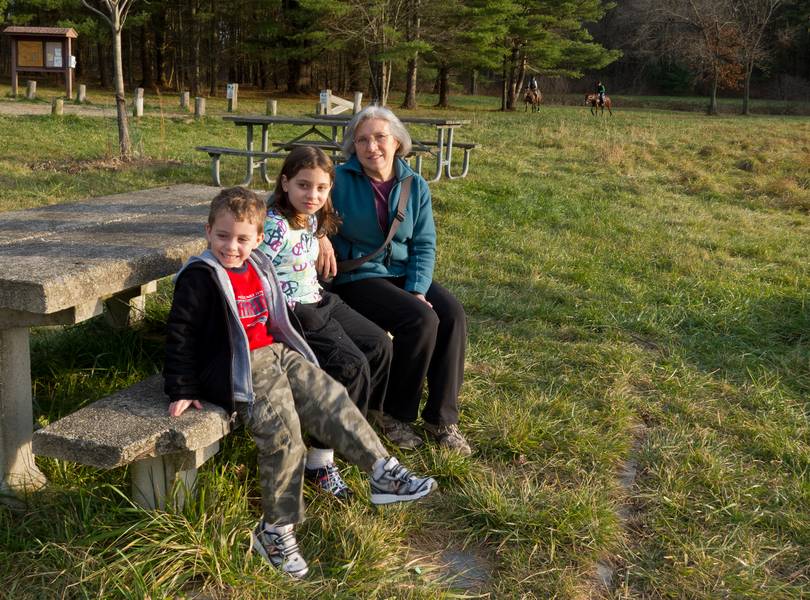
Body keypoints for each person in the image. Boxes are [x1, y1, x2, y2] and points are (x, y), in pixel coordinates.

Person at [163, 186, 437, 579]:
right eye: (222, 236)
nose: (231, 246)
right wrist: (183, 388)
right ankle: (275, 530)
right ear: (208, 231)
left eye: (242, 238)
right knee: (284, 432)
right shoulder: (201, 277)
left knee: (331, 396)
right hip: (235, 367)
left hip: (274, 352)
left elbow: (277, 315)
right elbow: (181, 333)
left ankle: (382, 471)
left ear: (258, 239)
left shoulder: (258, 264)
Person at [317, 105, 472, 456]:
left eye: (380, 137)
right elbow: (290, 203)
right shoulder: (337, 179)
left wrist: (418, 288)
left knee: (452, 314)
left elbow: (424, 243)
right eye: (362, 140)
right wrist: (319, 235)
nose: (372, 147)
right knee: (420, 319)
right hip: (357, 277)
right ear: (352, 147)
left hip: (402, 274)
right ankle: (393, 414)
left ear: (398, 141)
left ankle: (442, 419)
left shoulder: (414, 184)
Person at [259, 146, 393, 501]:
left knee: (379, 344)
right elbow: (251, 266)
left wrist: (321, 236)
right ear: (285, 183)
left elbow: (311, 232)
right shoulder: (273, 225)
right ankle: (319, 463)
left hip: (320, 298)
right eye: (303, 186)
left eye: (321, 188)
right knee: (351, 366)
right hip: (293, 311)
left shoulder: (313, 217)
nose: (312, 195)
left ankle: (358, 429)